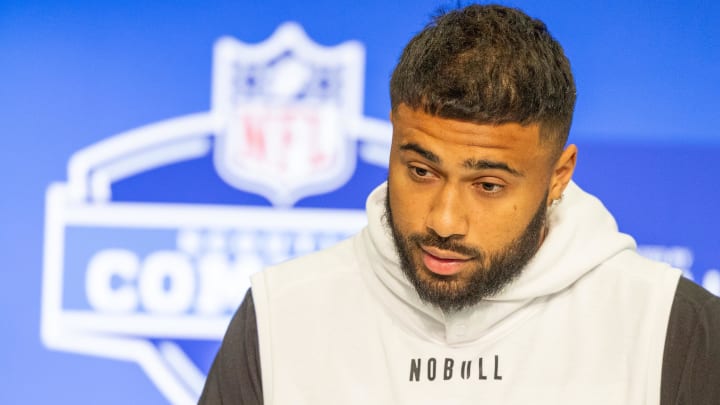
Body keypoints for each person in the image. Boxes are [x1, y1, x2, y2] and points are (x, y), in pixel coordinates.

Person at [199, 4, 720, 404]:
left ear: (558, 175)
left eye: (488, 185)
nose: (444, 221)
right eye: (421, 172)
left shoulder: (674, 328)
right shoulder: (280, 314)